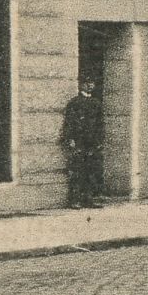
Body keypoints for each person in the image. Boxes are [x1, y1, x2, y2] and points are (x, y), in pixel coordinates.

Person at [59, 80, 106, 208]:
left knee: (91, 170)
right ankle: (74, 200)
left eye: (92, 83)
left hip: (91, 142)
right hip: (79, 141)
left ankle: (88, 198)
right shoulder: (75, 102)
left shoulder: (96, 103)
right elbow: (69, 122)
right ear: (81, 85)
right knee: (77, 170)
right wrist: (70, 139)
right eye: (86, 83)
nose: (90, 85)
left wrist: (99, 141)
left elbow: (100, 124)